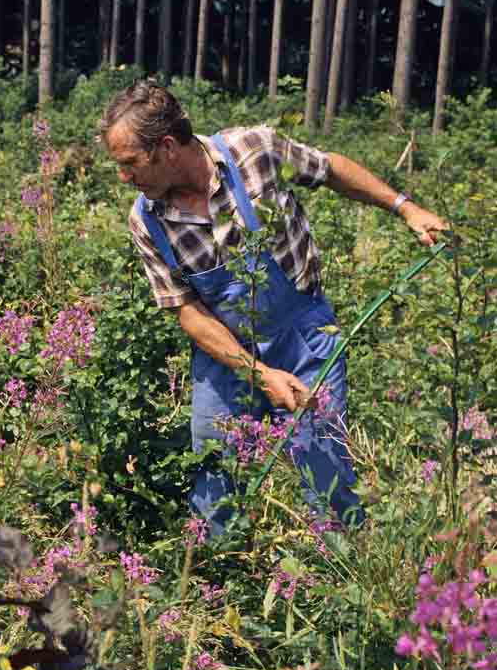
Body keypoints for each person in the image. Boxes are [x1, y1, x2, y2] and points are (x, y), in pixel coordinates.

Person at [99, 81, 448, 536]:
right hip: (227, 353)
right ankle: (218, 576)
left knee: (324, 463)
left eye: (129, 163)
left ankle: (343, 575)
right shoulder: (146, 219)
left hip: (304, 337)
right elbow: (188, 311)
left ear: (166, 147)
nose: (124, 177)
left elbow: (329, 169)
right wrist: (259, 375)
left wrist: (405, 207)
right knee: (214, 470)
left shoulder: (253, 150)